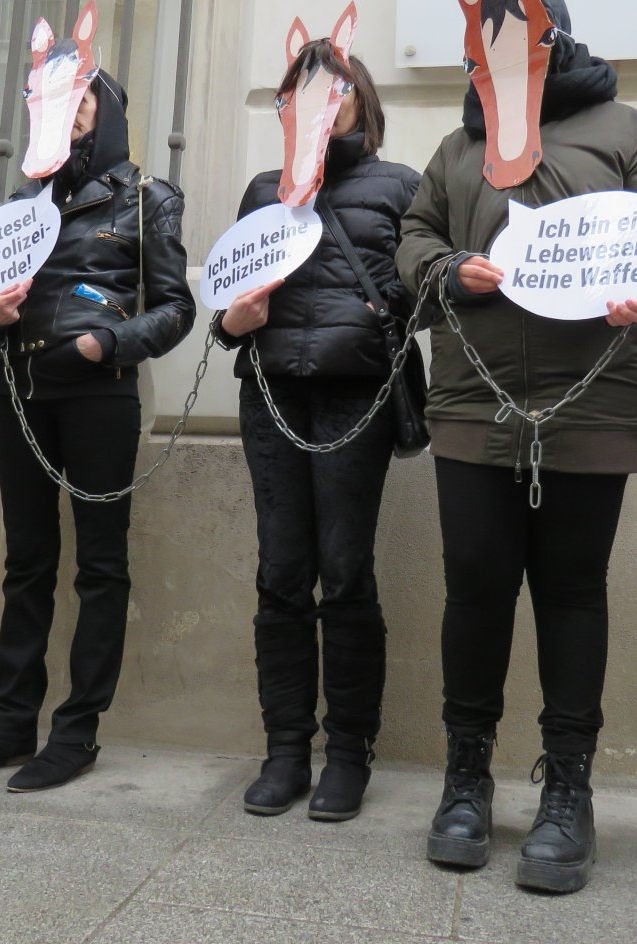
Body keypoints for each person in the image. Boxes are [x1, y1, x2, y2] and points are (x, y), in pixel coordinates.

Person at [396, 0, 637, 892]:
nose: (501, 60)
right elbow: (413, 235)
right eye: (484, 48)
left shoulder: (624, 130)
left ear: (556, 40)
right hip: (473, 404)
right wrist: (449, 269)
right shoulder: (457, 146)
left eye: (519, 41)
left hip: (590, 404)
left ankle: (567, 793)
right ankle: (464, 781)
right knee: (475, 590)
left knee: (570, 593)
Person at [215, 41, 419, 820]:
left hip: (353, 397)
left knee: (344, 571)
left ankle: (348, 754)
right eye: (299, 95)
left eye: (333, 94)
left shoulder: (398, 186)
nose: (317, 108)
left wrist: (382, 315)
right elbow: (229, 303)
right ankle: (285, 750)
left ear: (360, 101)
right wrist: (230, 323)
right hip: (272, 398)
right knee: (280, 572)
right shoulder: (261, 190)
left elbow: (424, 289)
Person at [0, 71, 195, 792]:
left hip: (98, 394)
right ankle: (13, 720)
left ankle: (77, 730)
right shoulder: (21, 206)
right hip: (19, 391)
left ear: (106, 110)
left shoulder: (147, 197)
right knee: (26, 563)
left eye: (80, 99)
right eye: (55, 102)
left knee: (100, 565)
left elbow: (176, 308)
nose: (68, 113)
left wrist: (105, 344)